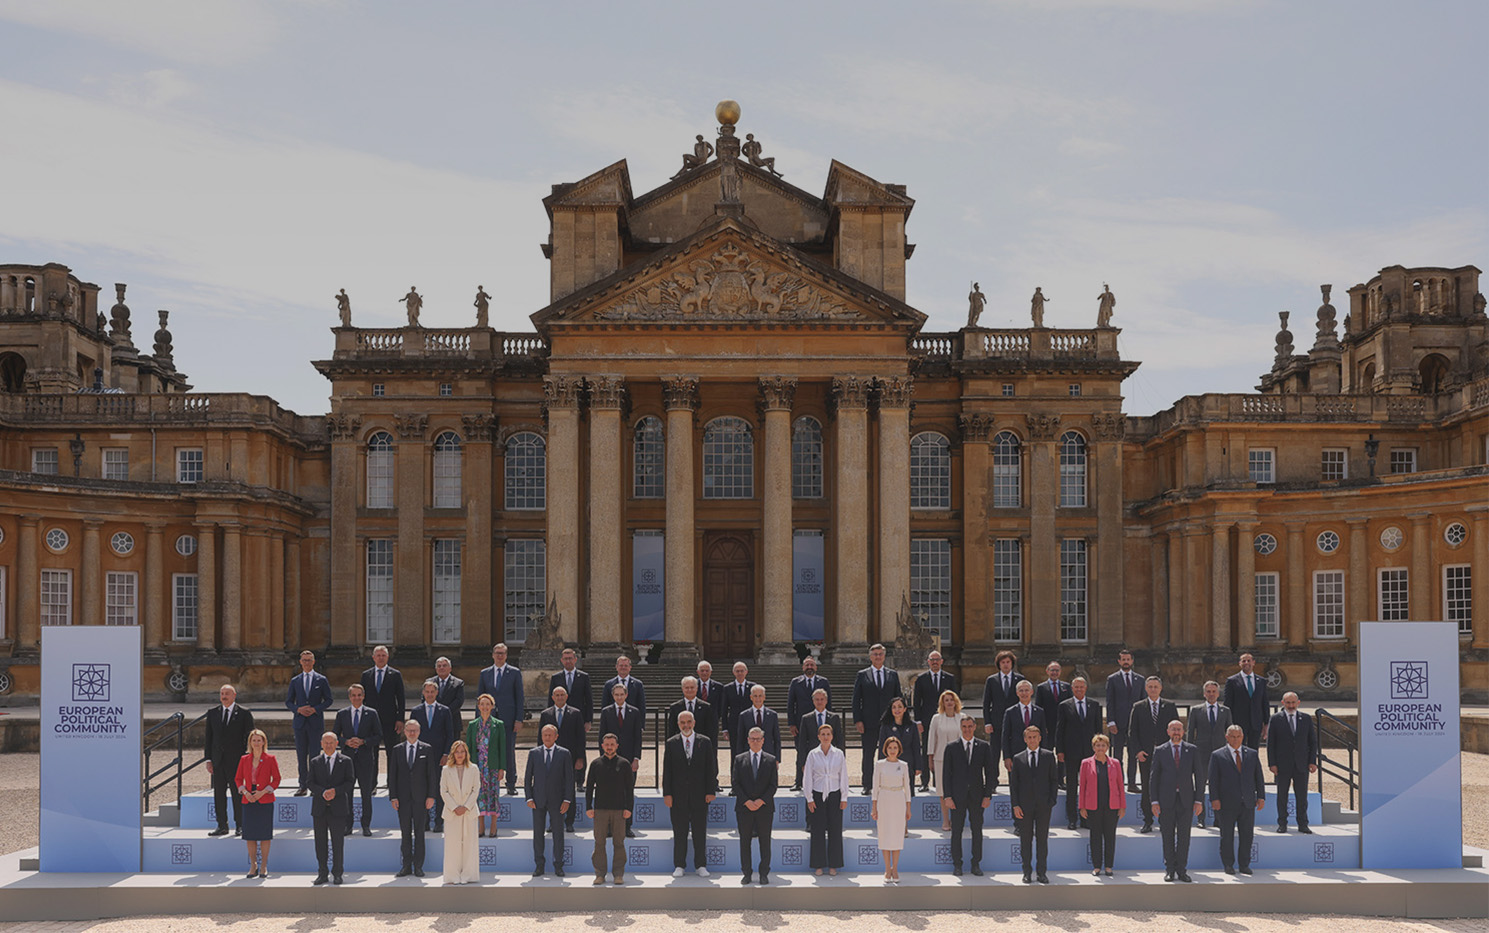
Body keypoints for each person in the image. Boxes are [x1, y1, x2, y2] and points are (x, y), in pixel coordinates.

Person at [662, 710, 717, 877]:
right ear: (678, 724)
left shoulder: (705, 742)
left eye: (689, 722)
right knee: (680, 831)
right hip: (678, 796)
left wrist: (710, 790)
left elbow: (710, 768)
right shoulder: (672, 743)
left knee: (700, 830)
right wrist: (667, 794)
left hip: (700, 795)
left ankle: (701, 865)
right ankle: (679, 865)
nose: (686, 725)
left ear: (694, 723)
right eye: (682, 723)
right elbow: (667, 770)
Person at [941, 713, 996, 877]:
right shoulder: (951, 747)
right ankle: (957, 864)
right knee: (956, 831)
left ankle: (975, 864)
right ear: (961, 727)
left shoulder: (984, 746)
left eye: (970, 726)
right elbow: (946, 775)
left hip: (977, 797)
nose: (967, 729)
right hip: (957, 797)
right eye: (964, 727)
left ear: (975, 727)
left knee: (977, 831)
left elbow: (990, 773)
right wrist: (948, 796)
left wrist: (988, 796)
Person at [1150, 719, 1204, 882]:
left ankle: (1182, 870)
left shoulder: (1192, 750)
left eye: (1179, 729)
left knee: (1184, 837)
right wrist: (1154, 801)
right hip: (1166, 801)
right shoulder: (1160, 751)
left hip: (1186, 801)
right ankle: (1170, 870)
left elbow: (1200, 777)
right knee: (1167, 836)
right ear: (1168, 731)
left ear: (1183, 732)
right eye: (1173, 729)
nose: (1176, 732)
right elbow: (1154, 778)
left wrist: (1199, 800)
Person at [1210, 725, 1266, 875]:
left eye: (1238, 736)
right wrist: (1214, 798)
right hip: (1226, 803)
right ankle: (1228, 864)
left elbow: (1258, 777)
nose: (1236, 739)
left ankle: (1244, 865)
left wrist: (1261, 796)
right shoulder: (1217, 755)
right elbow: (1213, 780)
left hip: (1247, 802)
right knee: (1227, 836)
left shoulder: (1252, 754)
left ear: (1242, 737)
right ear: (1226, 737)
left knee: (1247, 835)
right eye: (1233, 736)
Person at [1128, 675, 1178, 833]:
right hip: (1146, 755)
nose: (1153, 689)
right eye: (1150, 687)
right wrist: (1137, 751)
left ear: (1161, 688)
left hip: (1166, 755)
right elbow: (1132, 732)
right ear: (1146, 688)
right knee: (1147, 788)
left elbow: (1176, 731)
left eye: (1156, 687)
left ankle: (1166, 821)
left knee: (1167, 788)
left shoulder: (1169, 706)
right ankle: (1148, 821)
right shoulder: (1138, 706)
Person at [388, 718, 438, 877]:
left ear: (419, 732)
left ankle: (418, 866)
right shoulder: (397, 750)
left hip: (421, 799)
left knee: (420, 833)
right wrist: (393, 796)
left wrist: (431, 796)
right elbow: (392, 775)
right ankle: (406, 866)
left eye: (414, 730)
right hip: (402, 799)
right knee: (405, 833)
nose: (411, 733)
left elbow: (431, 775)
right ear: (404, 731)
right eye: (409, 730)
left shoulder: (427, 749)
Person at [1009, 724, 1059, 883]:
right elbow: (1014, 785)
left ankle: (1041, 872)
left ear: (1040, 738)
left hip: (1044, 805)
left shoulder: (1049, 755)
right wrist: (1015, 805)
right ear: (1025, 739)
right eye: (1029, 737)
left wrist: (1051, 801)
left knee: (1042, 840)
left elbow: (1054, 780)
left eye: (1034, 737)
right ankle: (1026, 872)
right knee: (1025, 840)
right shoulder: (1018, 758)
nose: (1032, 740)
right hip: (1024, 807)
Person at [526, 723, 576, 877]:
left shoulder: (564, 753)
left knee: (558, 834)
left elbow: (569, 779)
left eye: (550, 735)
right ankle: (539, 865)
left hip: (557, 801)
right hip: (538, 800)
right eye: (545, 735)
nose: (547, 738)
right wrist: (529, 797)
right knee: (538, 833)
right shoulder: (534, 753)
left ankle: (558, 865)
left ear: (556, 736)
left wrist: (567, 800)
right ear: (541, 736)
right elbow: (528, 778)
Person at [204, 684, 254, 837]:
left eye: (227, 693)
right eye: (222, 693)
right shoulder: (212, 713)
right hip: (218, 761)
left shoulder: (244, 713)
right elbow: (209, 738)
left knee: (238, 793)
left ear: (234, 695)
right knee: (219, 794)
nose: (224, 696)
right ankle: (221, 825)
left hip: (237, 761)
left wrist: (248, 758)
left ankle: (240, 825)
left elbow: (250, 737)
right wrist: (208, 759)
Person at [333, 683, 382, 836]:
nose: (356, 698)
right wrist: (346, 741)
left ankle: (366, 825)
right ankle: (348, 825)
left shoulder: (371, 713)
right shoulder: (342, 714)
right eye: (353, 695)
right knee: (347, 793)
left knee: (366, 793)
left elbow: (378, 736)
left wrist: (364, 741)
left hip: (365, 758)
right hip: (347, 760)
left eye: (359, 695)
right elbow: (335, 736)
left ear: (363, 696)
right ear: (349, 697)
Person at [586, 732, 635, 885]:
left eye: (612, 744)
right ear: (602, 746)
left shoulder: (624, 764)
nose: (609, 747)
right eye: (606, 745)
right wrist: (589, 807)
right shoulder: (595, 764)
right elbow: (589, 788)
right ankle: (600, 874)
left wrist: (628, 808)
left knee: (618, 842)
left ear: (617, 746)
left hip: (619, 810)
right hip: (600, 810)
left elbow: (629, 789)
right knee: (599, 842)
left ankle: (618, 874)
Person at [306, 731, 354, 885]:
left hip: (338, 809)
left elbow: (350, 782)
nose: (328, 745)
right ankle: (322, 873)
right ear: (321, 744)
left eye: (331, 742)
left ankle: (338, 873)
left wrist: (335, 791)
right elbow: (310, 783)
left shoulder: (346, 761)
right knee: (320, 843)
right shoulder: (315, 761)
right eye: (325, 743)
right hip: (320, 809)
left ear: (337, 744)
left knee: (337, 843)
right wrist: (323, 792)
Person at [732, 726, 778, 885]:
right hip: (744, 808)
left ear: (763, 740)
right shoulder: (739, 759)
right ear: (748, 741)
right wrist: (747, 801)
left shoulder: (771, 760)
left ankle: (764, 873)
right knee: (745, 841)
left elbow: (773, 785)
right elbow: (735, 783)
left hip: (764, 808)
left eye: (758, 739)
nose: (756, 741)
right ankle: (747, 873)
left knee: (765, 842)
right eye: (753, 739)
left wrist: (760, 801)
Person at [802, 722, 850, 875]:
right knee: (818, 830)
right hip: (817, 794)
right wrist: (809, 798)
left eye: (828, 734)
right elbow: (807, 777)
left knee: (835, 830)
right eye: (823, 734)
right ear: (818, 737)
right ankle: (818, 864)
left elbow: (843, 776)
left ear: (832, 736)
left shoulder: (839, 754)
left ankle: (834, 864)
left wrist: (844, 797)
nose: (826, 737)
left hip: (835, 794)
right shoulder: (812, 754)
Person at [1055, 676, 1103, 830]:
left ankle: (1086, 819)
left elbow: (1098, 731)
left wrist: (1100, 750)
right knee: (1071, 787)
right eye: (1076, 687)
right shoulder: (1064, 706)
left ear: (1086, 688)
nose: (1079, 689)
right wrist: (1060, 750)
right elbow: (1060, 730)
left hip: (1090, 753)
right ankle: (1072, 819)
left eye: (1081, 687)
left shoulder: (1094, 705)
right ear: (1072, 688)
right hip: (1071, 752)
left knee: (1089, 787)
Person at [852, 644, 901, 791]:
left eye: (880, 654)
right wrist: (858, 720)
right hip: (868, 722)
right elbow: (856, 699)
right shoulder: (862, 674)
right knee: (868, 754)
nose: (878, 656)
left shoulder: (892, 674)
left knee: (890, 753)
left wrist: (898, 719)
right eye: (875, 654)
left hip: (889, 721)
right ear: (870, 656)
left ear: (884, 656)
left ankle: (887, 782)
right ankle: (867, 784)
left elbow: (898, 698)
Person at [1266, 691, 1317, 833]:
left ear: (1298, 703)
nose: (1291, 705)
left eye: (1293, 702)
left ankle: (1303, 824)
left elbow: (1312, 742)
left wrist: (1312, 761)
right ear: (1283, 703)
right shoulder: (1275, 719)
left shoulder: (1306, 719)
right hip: (1282, 765)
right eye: (1288, 703)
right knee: (1282, 796)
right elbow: (1271, 744)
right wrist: (1272, 764)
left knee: (1302, 796)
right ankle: (1282, 823)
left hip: (1302, 764)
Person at [285, 650, 333, 795]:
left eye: (309, 660)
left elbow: (329, 700)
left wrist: (315, 709)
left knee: (315, 756)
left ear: (313, 662)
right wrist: (298, 709)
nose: (307, 663)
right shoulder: (295, 681)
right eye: (304, 660)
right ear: (300, 662)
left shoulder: (321, 680)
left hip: (315, 722)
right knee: (301, 755)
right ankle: (303, 785)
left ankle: (315, 785)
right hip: (300, 723)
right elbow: (288, 701)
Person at [477, 643, 524, 796]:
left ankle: (511, 783)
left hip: (508, 719)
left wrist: (519, 719)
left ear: (506, 655)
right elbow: (480, 697)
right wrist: (479, 720)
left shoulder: (515, 673)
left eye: (502, 653)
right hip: (488, 718)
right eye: (497, 653)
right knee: (488, 751)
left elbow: (519, 697)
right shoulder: (485, 673)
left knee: (508, 750)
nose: (499, 656)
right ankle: (488, 782)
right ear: (492, 654)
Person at [540, 685, 588, 832]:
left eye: (562, 695)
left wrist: (580, 758)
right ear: (552, 697)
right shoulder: (546, 714)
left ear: (566, 697)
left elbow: (581, 738)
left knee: (569, 791)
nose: (559, 697)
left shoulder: (576, 713)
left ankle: (569, 822)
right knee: (551, 791)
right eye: (557, 695)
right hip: (550, 758)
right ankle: (553, 822)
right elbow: (540, 738)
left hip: (570, 758)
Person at [599, 682, 644, 837]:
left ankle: (627, 827)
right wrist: (603, 758)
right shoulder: (606, 712)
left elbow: (638, 737)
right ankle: (610, 828)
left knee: (627, 793)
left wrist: (636, 758)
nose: (619, 697)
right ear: (613, 696)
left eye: (621, 694)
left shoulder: (635, 712)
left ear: (626, 695)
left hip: (629, 760)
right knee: (610, 793)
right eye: (616, 694)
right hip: (610, 759)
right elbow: (601, 736)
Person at [234, 728, 280, 878]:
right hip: (248, 799)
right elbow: (238, 779)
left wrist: (264, 791)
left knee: (265, 835)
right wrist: (245, 792)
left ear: (264, 742)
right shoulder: (244, 759)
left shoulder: (270, 758)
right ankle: (253, 865)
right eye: (253, 740)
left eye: (259, 740)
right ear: (250, 743)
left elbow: (277, 779)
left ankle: (264, 866)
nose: (256, 743)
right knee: (250, 835)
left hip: (265, 799)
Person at [1186, 680, 1232, 829]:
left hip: (1220, 754)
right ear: (1204, 693)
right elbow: (1190, 734)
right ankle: (1201, 818)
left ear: (1218, 693)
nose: (1211, 694)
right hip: (1201, 754)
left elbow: (1230, 734)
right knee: (1200, 786)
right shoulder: (1196, 710)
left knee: (1219, 786)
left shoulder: (1226, 711)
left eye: (1214, 691)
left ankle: (1218, 818)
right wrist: (1189, 753)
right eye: (1208, 691)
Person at [410, 679, 454, 831]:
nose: (429, 694)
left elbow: (450, 734)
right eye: (427, 691)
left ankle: (439, 822)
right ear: (423, 693)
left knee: (440, 789)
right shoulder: (416, 711)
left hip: (439, 757)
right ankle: (425, 820)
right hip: (421, 756)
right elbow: (412, 734)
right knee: (422, 788)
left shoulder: (444, 710)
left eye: (432, 692)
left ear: (437, 693)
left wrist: (446, 753)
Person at [1078, 733, 1124, 877]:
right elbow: (1083, 786)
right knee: (1095, 836)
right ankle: (1097, 866)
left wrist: (1122, 806)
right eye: (1098, 745)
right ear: (1093, 747)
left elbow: (1120, 785)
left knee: (1110, 836)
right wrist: (1082, 806)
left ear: (1107, 747)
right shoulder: (1086, 763)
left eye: (1103, 745)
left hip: (1112, 806)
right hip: (1093, 806)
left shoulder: (1115, 763)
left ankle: (1109, 866)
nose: (1100, 748)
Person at [912, 651, 956, 791]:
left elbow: (954, 699)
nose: (935, 662)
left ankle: (939, 781)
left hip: (945, 720)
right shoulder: (921, 679)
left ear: (942, 661)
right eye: (932, 660)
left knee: (942, 750)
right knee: (926, 749)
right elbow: (917, 701)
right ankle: (924, 782)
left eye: (937, 660)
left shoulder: (949, 678)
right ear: (928, 661)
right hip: (926, 721)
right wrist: (918, 721)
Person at [464, 693, 506, 838]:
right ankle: (481, 826)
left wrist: (502, 768)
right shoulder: (472, 725)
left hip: (493, 766)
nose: (485, 707)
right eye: (482, 704)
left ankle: (494, 825)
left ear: (492, 706)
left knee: (493, 794)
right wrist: (467, 766)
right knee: (479, 794)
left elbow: (502, 748)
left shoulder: (498, 725)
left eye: (488, 704)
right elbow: (468, 747)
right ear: (478, 706)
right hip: (477, 766)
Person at [360, 645, 406, 777]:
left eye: (383, 655)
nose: (381, 658)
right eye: (378, 655)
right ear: (373, 657)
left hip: (390, 720)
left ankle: (392, 783)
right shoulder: (366, 675)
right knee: (371, 753)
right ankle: (372, 783)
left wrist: (400, 719)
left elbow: (401, 699)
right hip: (371, 721)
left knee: (392, 752)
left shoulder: (395, 675)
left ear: (388, 657)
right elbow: (362, 698)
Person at [872, 735, 912, 883]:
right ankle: (886, 869)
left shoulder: (904, 765)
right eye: (890, 748)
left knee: (896, 834)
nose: (892, 750)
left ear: (899, 749)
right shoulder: (879, 765)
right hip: (884, 799)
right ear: (885, 749)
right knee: (884, 833)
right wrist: (874, 807)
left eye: (895, 747)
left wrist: (908, 808)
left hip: (898, 800)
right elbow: (875, 787)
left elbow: (907, 788)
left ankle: (895, 868)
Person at [441, 740, 480, 884]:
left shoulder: (474, 769)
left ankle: (469, 876)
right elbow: (443, 791)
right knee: (452, 844)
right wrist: (455, 807)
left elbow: (476, 789)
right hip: (452, 813)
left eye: (462, 751)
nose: (459, 754)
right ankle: (452, 876)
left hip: (469, 812)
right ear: (453, 753)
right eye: (457, 752)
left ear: (466, 753)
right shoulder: (446, 770)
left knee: (470, 844)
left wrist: (466, 806)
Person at [786, 656, 829, 788]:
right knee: (801, 752)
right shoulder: (795, 682)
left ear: (816, 667)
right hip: (800, 724)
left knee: (823, 752)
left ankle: (821, 780)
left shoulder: (824, 682)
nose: (809, 667)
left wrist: (829, 723)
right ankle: (799, 782)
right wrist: (791, 723)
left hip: (820, 722)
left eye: (812, 665)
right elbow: (790, 704)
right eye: (807, 665)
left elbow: (829, 703)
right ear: (803, 667)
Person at [925, 689, 964, 830]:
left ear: (955, 702)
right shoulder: (936, 718)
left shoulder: (962, 717)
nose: (949, 702)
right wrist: (930, 758)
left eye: (951, 699)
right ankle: (946, 820)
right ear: (942, 702)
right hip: (940, 758)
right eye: (946, 700)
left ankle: (956, 819)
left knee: (957, 790)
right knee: (943, 791)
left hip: (960, 759)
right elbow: (931, 739)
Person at [1104, 649, 1142, 790]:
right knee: (1117, 755)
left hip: (1134, 724)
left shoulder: (1140, 680)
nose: (1126, 662)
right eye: (1123, 659)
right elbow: (1110, 701)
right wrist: (1111, 721)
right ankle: (1117, 783)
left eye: (1128, 659)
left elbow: (1142, 702)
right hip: (1118, 723)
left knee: (1133, 755)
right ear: (1119, 661)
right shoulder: (1112, 679)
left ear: (1132, 661)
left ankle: (1132, 783)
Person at [1224, 653, 1270, 751]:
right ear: (1239, 663)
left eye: (1249, 660)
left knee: (1254, 750)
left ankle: (1253, 767)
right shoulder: (1232, 681)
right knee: (1238, 749)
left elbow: (1264, 702)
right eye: (1243, 661)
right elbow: (1228, 703)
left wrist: (1266, 722)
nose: (1246, 663)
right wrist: (1228, 723)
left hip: (1256, 722)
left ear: (1253, 662)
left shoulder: (1261, 681)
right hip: (1238, 722)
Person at [982, 650, 1027, 750]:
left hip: (1015, 721)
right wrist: (987, 722)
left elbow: (1024, 700)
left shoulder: (1020, 679)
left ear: (1012, 663)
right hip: (996, 722)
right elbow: (986, 703)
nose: (1006, 665)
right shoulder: (992, 680)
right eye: (1003, 662)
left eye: (1008, 662)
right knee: (994, 751)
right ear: (999, 664)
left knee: (1015, 750)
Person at [877, 696, 921, 795]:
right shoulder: (885, 726)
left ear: (905, 709)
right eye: (894, 707)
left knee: (908, 795)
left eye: (900, 707)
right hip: (891, 765)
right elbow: (882, 748)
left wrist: (918, 766)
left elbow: (916, 747)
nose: (897, 710)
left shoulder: (912, 726)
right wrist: (880, 766)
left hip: (908, 764)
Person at [1001, 680, 1047, 772]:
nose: (1024, 693)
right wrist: (1007, 757)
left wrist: (1044, 755)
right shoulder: (1010, 712)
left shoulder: (1039, 712)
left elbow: (1044, 736)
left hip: (1035, 755)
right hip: (1016, 755)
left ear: (1032, 692)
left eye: (1026, 690)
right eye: (1021, 691)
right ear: (1017, 693)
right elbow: (1005, 736)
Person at [666, 675, 719, 746]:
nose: (689, 690)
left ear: (697, 688)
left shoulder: (706, 707)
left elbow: (711, 731)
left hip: (700, 746)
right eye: (687, 688)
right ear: (682, 689)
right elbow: (671, 731)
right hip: (681, 746)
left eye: (692, 687)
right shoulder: (675, 707)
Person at [734, 685, 782, 762]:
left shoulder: (773, 715)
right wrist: (740, 759)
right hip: (749, 756)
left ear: (764, 697)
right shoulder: (744, 715)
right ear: (751, 697)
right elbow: (740, 739)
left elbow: (777, 738)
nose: (758, 699)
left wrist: (777, 759)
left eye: (760, 696)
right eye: (755, 696)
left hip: (769, 755)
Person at [549, 647, 593, 731]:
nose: (568, 661)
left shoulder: (584, 677)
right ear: (562, 660)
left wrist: (588, 720)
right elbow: (551, 699)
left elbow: (588, 700)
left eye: (570, 658)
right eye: (565, 659)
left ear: (575, 659)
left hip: (580, 718)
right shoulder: (556, 677)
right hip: (560, 717)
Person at [719, 661, 756, 751]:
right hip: (734, 724)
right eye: (737, 671)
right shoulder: (727, 688)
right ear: (733, 672)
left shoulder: (753, 687)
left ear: (746, 672)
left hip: (750, 723)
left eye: (742, 671)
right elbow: (724, 710)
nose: (740, 673)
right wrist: (725, 729)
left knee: (750, 749)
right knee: (735, 750)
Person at [603, 654, 647, 720]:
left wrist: (641, 726)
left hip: (632, 721)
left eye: (626, 666)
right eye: (621, 665)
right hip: (613, 721)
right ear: (616, 667)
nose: (623, 667)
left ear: (630, 667)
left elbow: (641, 706)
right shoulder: (609, 685)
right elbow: (605, 705)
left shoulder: (638, 684)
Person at [433, 656, 466, 741]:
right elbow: (425, 699)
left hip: (453, 722)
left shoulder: (458, 683)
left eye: (444, 665)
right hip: (434, 721)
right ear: (436, 669)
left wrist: (444, 713)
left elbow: (459, 701)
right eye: (439, 666)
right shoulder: (429, 682)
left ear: (450, 668)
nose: (442, 668)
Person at [1034, 661, 1070, 726]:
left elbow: (1070, 706)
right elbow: (1038, 707)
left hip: (1064, 723)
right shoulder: (1041, 687)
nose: (1055, 673)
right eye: (1052, 670)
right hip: (1047, 723)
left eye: (1057, 670)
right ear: (1047, 671)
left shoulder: (1067, 686)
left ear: (1060, 671)